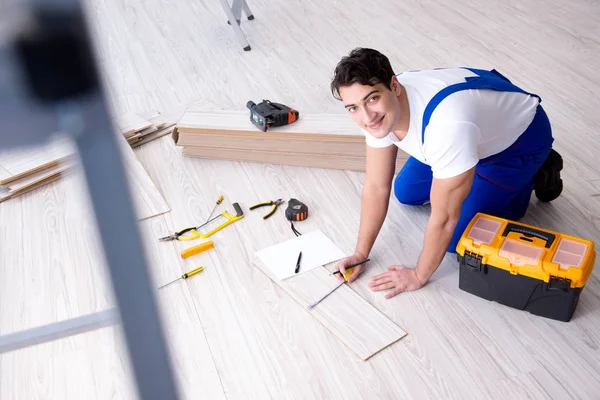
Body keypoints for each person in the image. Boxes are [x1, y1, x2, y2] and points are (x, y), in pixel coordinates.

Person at [330, 47, 563, 298]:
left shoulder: (446, 126)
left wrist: (419, 275)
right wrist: (360, 255)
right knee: (405, 192)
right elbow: (377, 187)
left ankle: (536, 170)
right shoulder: (375, 113)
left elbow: (444, 219)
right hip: (469, 131)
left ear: (394, 86)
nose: (366, 116)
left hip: (517, 142)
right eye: (353, 107)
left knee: (455, 240)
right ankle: (464, 169)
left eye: (372, 99)